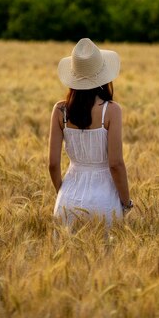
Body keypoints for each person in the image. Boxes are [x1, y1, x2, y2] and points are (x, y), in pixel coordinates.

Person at [48, 38, 133, 228]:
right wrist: (127, 204)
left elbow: (53, 164)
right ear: (103, 76)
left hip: (68, 201)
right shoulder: (111, 110)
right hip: (105, 203)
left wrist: (63, 194)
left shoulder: (60, 110)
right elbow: (116, 164)